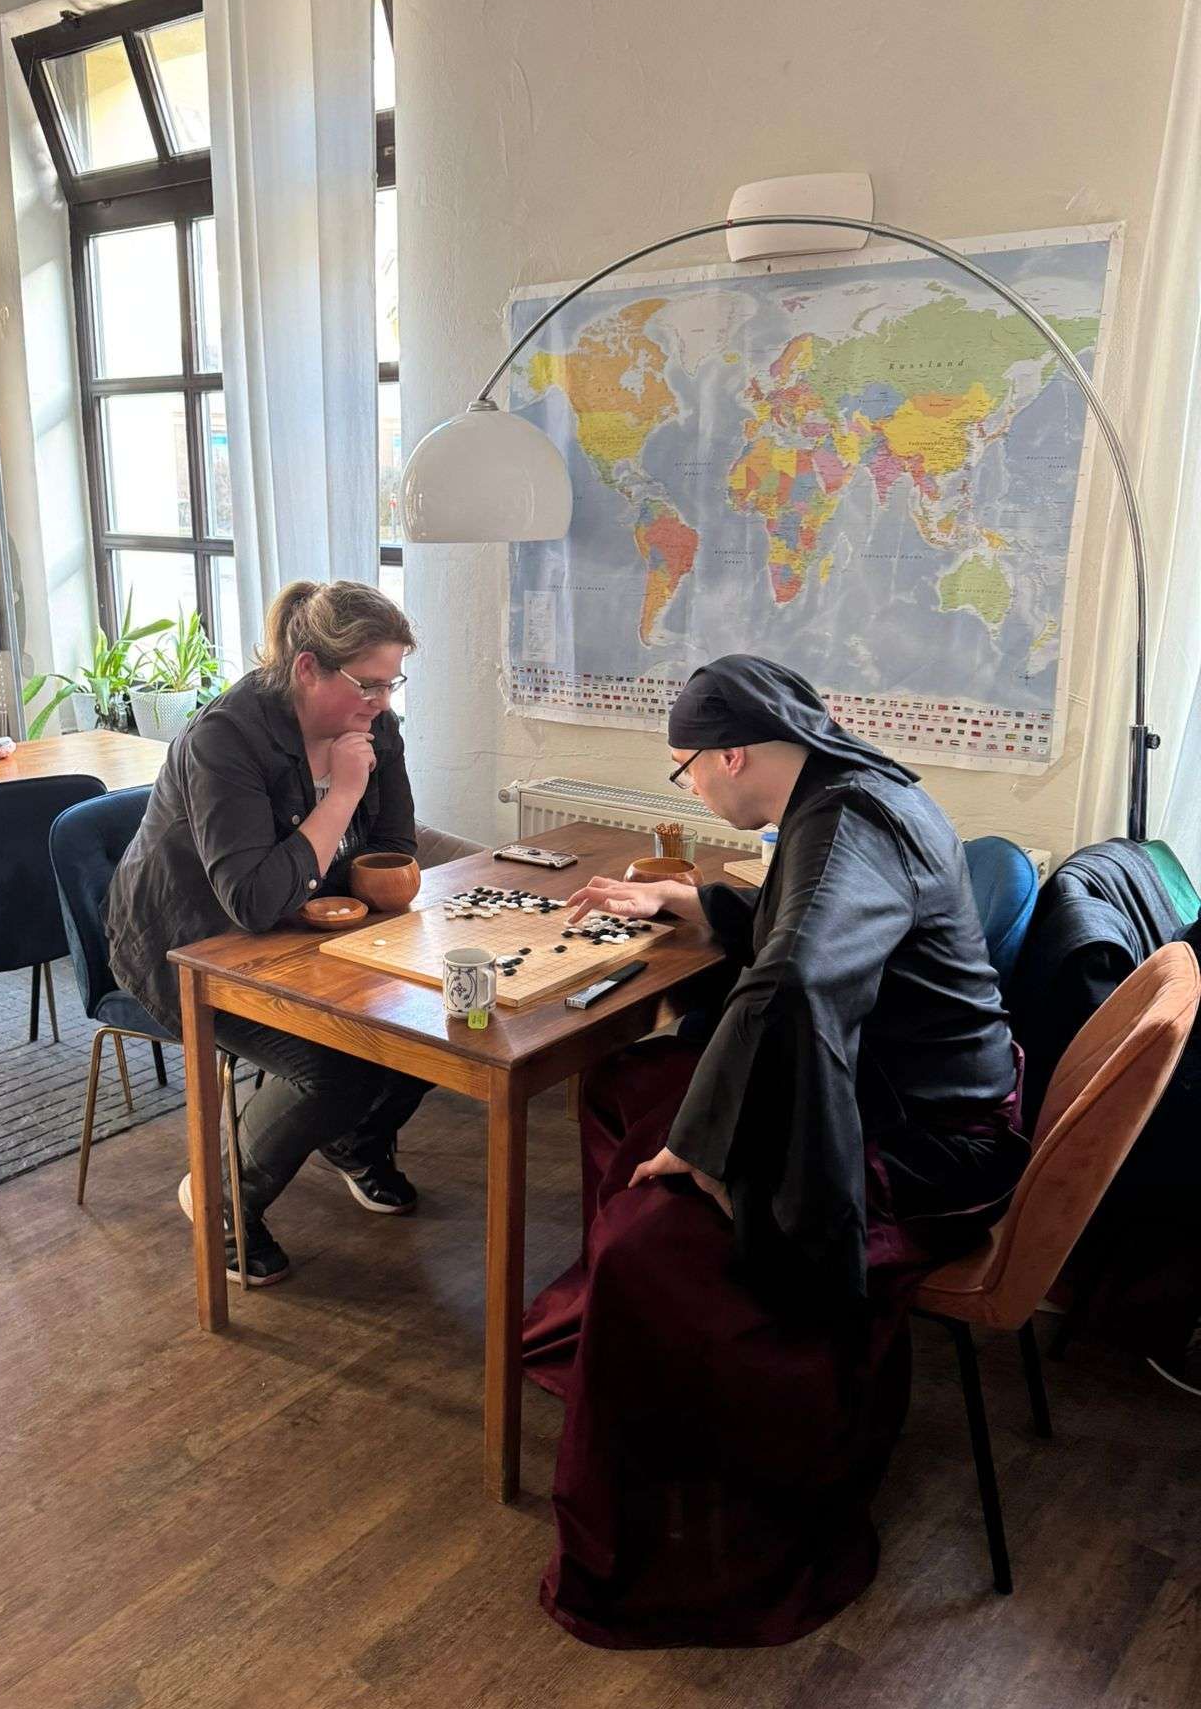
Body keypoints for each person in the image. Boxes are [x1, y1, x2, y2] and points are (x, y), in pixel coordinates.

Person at [522, 654, 1030, 1649]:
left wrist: (710, 1153)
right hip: (916, 1086)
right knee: (629, 1085)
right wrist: (699, 907)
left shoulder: (845, 825)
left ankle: (696, 1509)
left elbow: (797, 978)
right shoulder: (857, 791)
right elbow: (815, 928)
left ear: (733, 755)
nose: (694, 789)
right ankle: (627, 1352)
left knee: (650, 1238)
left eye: (685, 771)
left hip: (932, 1143)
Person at [107, 578, 428, 1287]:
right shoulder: (226, 738)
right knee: (336, 1065)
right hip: (190, 944)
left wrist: (344, 887)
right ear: (308, 668)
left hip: (307, 932)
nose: (382, 702)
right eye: (368, 684)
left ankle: (353, 1143)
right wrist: (342, 793)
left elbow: (396, 846)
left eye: (392, 682)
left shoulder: (376, 727)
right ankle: (222, 1199)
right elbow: (251, 900)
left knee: (428, 1026)